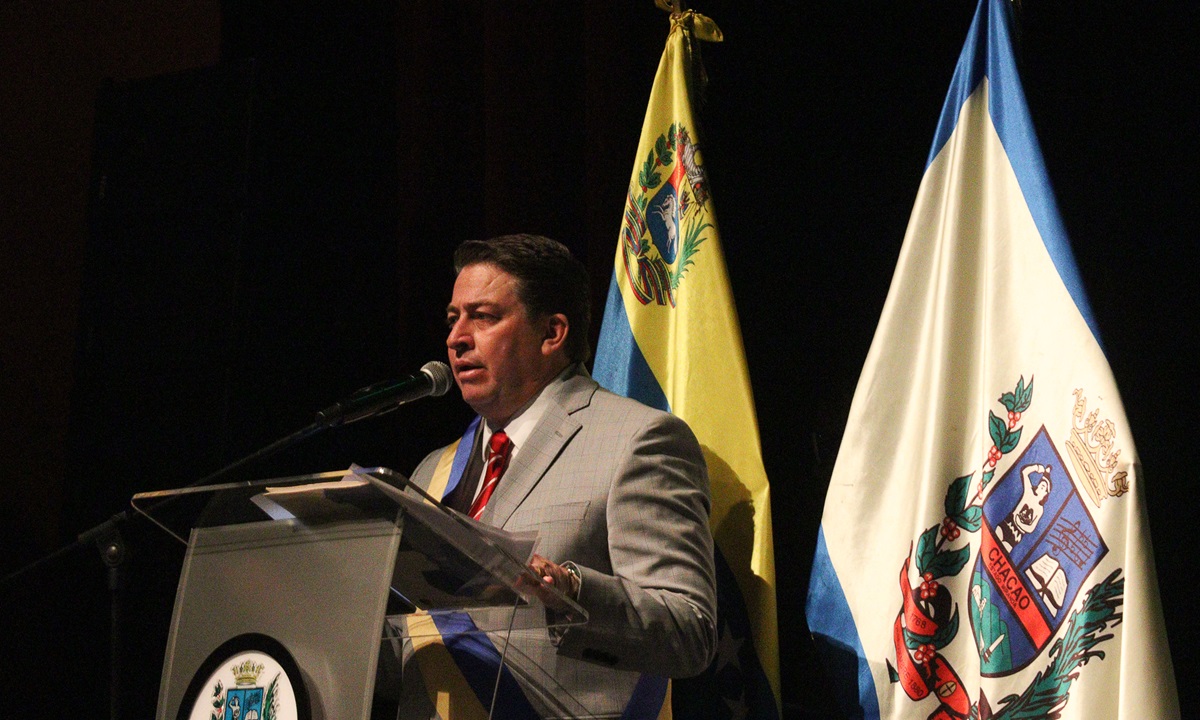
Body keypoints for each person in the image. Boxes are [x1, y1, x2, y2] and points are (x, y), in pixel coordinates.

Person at [396, 234, 717, 718]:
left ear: (552, 333)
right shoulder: (432, 470)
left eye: (483, 317)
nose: (456, 338)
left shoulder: (638, 441)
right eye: (453, 318)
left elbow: (687, 632)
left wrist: (570, 592)